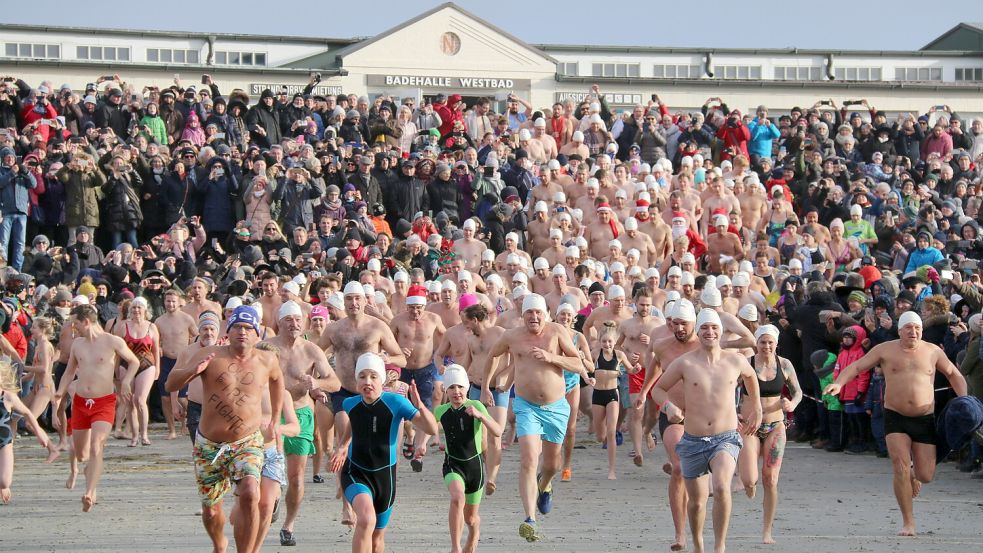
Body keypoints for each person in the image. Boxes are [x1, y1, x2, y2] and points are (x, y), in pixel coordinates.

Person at [824, 311, 968, 536]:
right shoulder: (885, 349)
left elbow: (953, 373)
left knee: (926, 475)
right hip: (895, 416)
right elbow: (857, 367)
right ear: (900, 330)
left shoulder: (933, 351)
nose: (913, 332)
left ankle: (913, 472)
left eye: (917, 328)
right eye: (908, 328)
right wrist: (839, 383)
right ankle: (908, 522)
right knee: (899, 466)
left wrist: (964, 400)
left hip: (924, 419)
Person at [165, 305, 284, 553]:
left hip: (247, 442)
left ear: (257, 333)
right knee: (210, 510)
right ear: (228, 331)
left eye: (248, 328)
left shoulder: (267, 359)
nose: (242, 332)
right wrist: (192, 372)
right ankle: (220, 543)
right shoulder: (210, 355)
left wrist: (275, 417)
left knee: (251, 492)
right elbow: (169, 384)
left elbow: (277, 381)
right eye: (237, 327)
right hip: (210, 444)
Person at [650, 308, 762, 553]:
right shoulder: (685, 363)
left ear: (720, 332)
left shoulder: (735, 360)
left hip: (726, 437)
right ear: (698, 332)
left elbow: (751, 377)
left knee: (722, 487)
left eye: (714, 328)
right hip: (693, 440)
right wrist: (668, 406)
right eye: (704, 328)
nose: (710, 332)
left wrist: (758, 409)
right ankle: (699, 545)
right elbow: (658, 389)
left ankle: (719, 547)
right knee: (697, 503)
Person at [481, 293, 586, 542]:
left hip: (556, 406)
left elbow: (577, 363)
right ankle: (530, 518)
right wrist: (486, 386)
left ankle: (545, 483)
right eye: (530, 313)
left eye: (538, 312)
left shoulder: (557, 331)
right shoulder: (512, 336)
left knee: (552, 465)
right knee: (528, 458)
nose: (534, 317)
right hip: (527, 406)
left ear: (545, 314)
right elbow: (492, 356)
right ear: (523, 315)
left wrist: (552, 357)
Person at [329, 352, 438, 553]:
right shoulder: (350, 404)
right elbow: (353, 426)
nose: (367, 382)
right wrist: (343, 447)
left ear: (382, 379)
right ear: (356, 380)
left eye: (373, 376)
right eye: (362, 376)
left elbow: (432, 429)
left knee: (377, 538)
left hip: (385, 478)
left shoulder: (396, 403)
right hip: (355, 472)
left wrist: (420, 405)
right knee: (366, 519)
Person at [317, 281, 406, 526]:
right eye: (349, 299)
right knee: (343, 441)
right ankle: (347, 506)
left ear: (365, 301)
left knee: (369, 444)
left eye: (358, 299)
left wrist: (386, 358)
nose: (354, 303)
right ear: (343, 302)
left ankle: (376, 492)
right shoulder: (334, 329)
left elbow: (401, 358)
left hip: (373, 394)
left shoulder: (378, 327)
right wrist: (319, 378)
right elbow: (315, 352)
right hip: (345, 391)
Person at [264, 300, 340, 547]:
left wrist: (316, 385)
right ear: (279, 322)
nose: (293, 324)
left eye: (297, 320)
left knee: (296, 478)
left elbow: (335, 382)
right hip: (270, 414)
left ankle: (289, 524)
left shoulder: (311, 350)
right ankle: (270, 502)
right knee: (265, 471)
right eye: (288, 320)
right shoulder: (265, 349)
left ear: (303, 322)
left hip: (301, 414)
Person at [53, 304, 141, 512]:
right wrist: (59, 393)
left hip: (104, 402)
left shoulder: (112, 341)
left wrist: (127, 380)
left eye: (75, 324)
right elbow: (68, 372)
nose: (73, 328)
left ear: (86, 321)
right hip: (81, 402)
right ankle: (85, 469)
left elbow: (134, 361)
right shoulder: (77, 345)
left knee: (97, 444)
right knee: (83, 454)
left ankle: (90, 492)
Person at [736, 325, 802, 544]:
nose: (766, 346)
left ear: (776, 343)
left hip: (775, 426)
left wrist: (791, 402)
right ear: (756, 343)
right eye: (762, 342)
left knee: (771, 479)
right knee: (749, 479)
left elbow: (798, 391)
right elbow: (729, 388)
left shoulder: (784, 364)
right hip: (750, 427)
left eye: (770, 342)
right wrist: (733, 412)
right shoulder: (747, 364)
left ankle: (767, 531)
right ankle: (749, 484)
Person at [430, 365, 503, 553]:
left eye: (460, 387)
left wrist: (480, 416)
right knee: (457, 497)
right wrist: (428, 441)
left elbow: (497, 431)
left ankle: (474, 531)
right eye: (452, 387)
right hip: (453, 464)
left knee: (470, 518)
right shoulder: (441, 411)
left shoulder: (476, 406)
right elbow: (428, 427)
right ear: (446, 390)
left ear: (467, 388)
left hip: (474, 468)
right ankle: (455, 547)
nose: (456, 392)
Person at [1, 357, 57, 504]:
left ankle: (3, 486)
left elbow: (27, 413)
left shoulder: (7, 396)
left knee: (5, 482)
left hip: (4, 442)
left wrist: (39, 433)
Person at [113, 296, 160, 447]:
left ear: (145, 309)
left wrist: (157, 368)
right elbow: (116, 352)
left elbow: (155, 350)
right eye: (134, 307)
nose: (136, 310)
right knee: (129, 402)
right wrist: (115, 369)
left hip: (147, 364)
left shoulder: (151, 327)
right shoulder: (122, 326)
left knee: (140, 400)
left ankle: (144, 434)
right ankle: (134, 436)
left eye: (139, 307)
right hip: (126, 365)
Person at [592, 321, 635, 480]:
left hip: (612, 394)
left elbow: (630, 369)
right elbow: (587, 366)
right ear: (600, 341)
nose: (607, 344)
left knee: (611, 432)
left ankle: (612, 470)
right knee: (600, 435)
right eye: (604, 341)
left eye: (610, 341)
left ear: (615, 341)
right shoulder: (596, 353)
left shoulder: (620, 355)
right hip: (597, 395)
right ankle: (602, 436)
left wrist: (635, 368)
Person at [154, 289, 198, 440]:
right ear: (164, 302)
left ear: (179, 302)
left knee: (182, 397)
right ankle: (171, 429)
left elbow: (196, 336)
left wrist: (190, 348)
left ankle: (186, 423)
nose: (171, 304)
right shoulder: (159, 321)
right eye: (168, 301)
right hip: (166, 360)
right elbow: (155, 341)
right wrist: (158, 347)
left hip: (182, 361)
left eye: (173, 301)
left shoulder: (187, 319)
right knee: (165, 397)